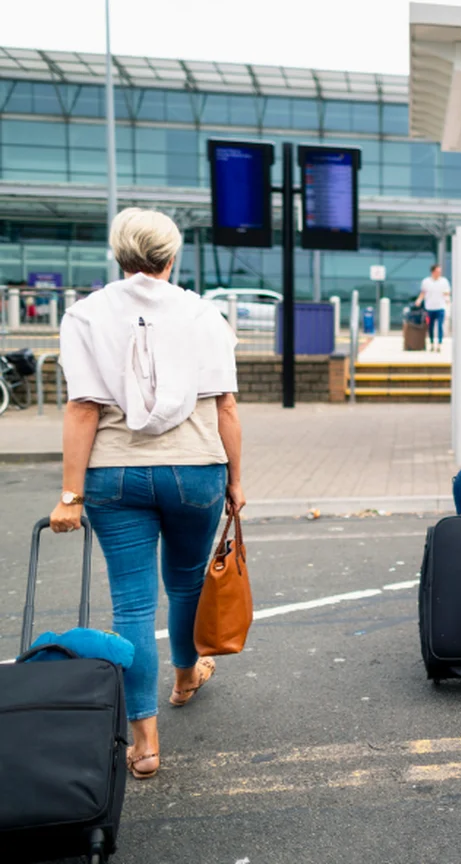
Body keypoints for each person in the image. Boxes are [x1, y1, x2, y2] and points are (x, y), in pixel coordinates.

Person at [49, 208, 244, 780]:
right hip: (195, 469)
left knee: (131, 605)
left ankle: (145, 742)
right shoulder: (204, 314)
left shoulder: (83, 315)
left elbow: (82, 407)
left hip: (115, 471)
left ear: (118, 254)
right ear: (171, 256)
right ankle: (186, 675)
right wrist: (236, 482)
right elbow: (226, 406)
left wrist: (70, 493)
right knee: (184, 582)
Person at [415, 263, 450, 352]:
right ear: (433, 272)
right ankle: (431, 343)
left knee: (440, 326)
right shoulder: (426, 281)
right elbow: (423, 293)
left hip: (440, 307)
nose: (439, 273)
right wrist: (419, 300)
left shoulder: (444, 281)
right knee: (430, 326)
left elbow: (447, 293)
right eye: (437, 271)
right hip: (429, 308)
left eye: (440, 272)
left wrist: (447, 300)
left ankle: (439, 344)